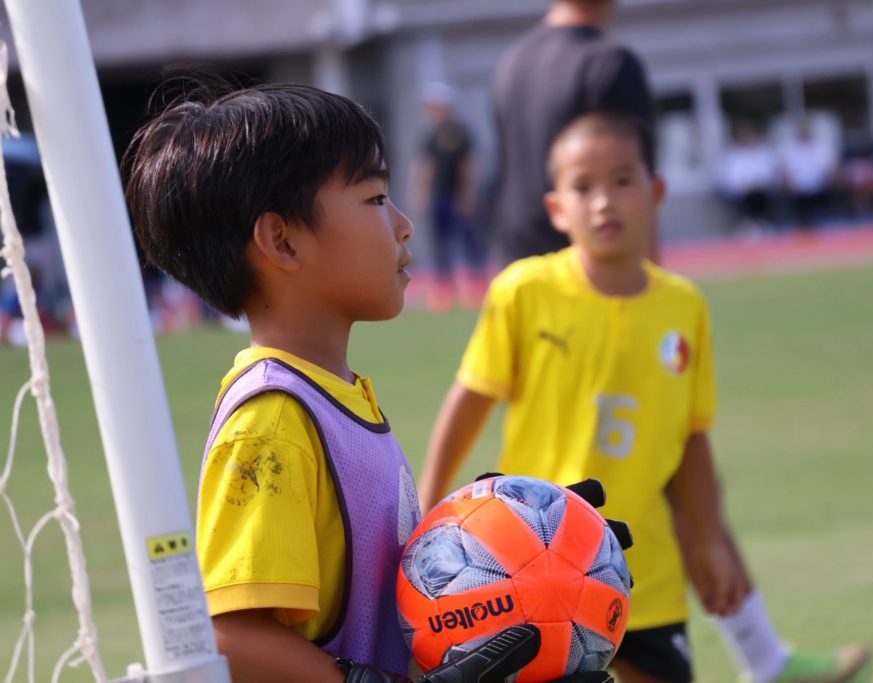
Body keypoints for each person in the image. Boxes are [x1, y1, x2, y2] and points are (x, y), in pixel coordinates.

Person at [121, 77, 564, 683]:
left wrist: (513, 540)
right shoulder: (273, 420)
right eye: (376, 198)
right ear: (282, 241)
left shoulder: (335, 393)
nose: (404, 225)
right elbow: (230, 635)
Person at [419, 111, 873, 683]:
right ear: (557, 208)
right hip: (533, 574)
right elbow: (468, 404)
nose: (604, 201)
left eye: (622, 181)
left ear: (656, 193)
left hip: (646, 576)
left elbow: (691, 439)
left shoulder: (684, 307)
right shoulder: (524, 291)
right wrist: (429, 511)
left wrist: (709, 539)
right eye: (583, 187)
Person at [491, 0, 655, 264]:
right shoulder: (609, 62)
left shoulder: (511, 61)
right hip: (592, 270)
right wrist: (648, 280)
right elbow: (638, 191)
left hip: (517, 262)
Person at [411, 82, 488, 311]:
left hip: (457, 196)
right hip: (439, 196)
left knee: (468, 240)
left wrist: (468, 193)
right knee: (440, 242)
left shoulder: (460, 133)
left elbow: (468, 165)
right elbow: (425, 166)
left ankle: (475, 285)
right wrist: (420, 192)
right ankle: (443, 288)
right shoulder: (429, 134)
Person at [715, 123, 778, 234]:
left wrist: (757, 184)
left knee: (759, 196)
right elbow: (728, 178)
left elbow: (769, 173)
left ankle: (761, 223)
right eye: (744, 136)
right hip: (740, 192)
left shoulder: (763, 153)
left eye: (750, 136)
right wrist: (744, 185)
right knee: (749, 197)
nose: (747, 139)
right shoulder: (731, 156)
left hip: (761, 190)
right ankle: (750, 224)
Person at [777, 117, 838, 231]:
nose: (804, 132)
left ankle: (827, 220)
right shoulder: (787, 149)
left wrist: (832, 179)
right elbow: (783, 171)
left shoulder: (822, 146)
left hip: (821, 186)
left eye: (806, 129)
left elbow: (831, 168)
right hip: (797, 189)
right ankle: (801, 223)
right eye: (802, 129)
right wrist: (788, 183)